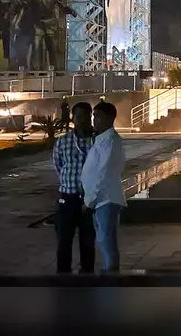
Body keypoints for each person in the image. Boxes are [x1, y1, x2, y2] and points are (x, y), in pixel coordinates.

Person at [81, 101, 126, 273]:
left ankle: (112, 280)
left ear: (110, 118)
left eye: (98, 116)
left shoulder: (111, 141)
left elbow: (104, 173)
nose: (94, 120)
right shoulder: (101, 140)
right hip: (100, 201)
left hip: (106, 200)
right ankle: (109, 276)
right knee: (103, 241)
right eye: (94, 116)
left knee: (107, 243)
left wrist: (90, 200)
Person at [52, 101, 95, 274]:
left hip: (89, 199)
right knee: (64, 240)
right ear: (73, 118)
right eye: (78, 116)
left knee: (87, 241)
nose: (82, 120)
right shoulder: (63, 142)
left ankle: (87, 275)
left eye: (86, 116)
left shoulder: (97, 141)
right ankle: (63, 277)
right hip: (67, 198)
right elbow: (58, 165)